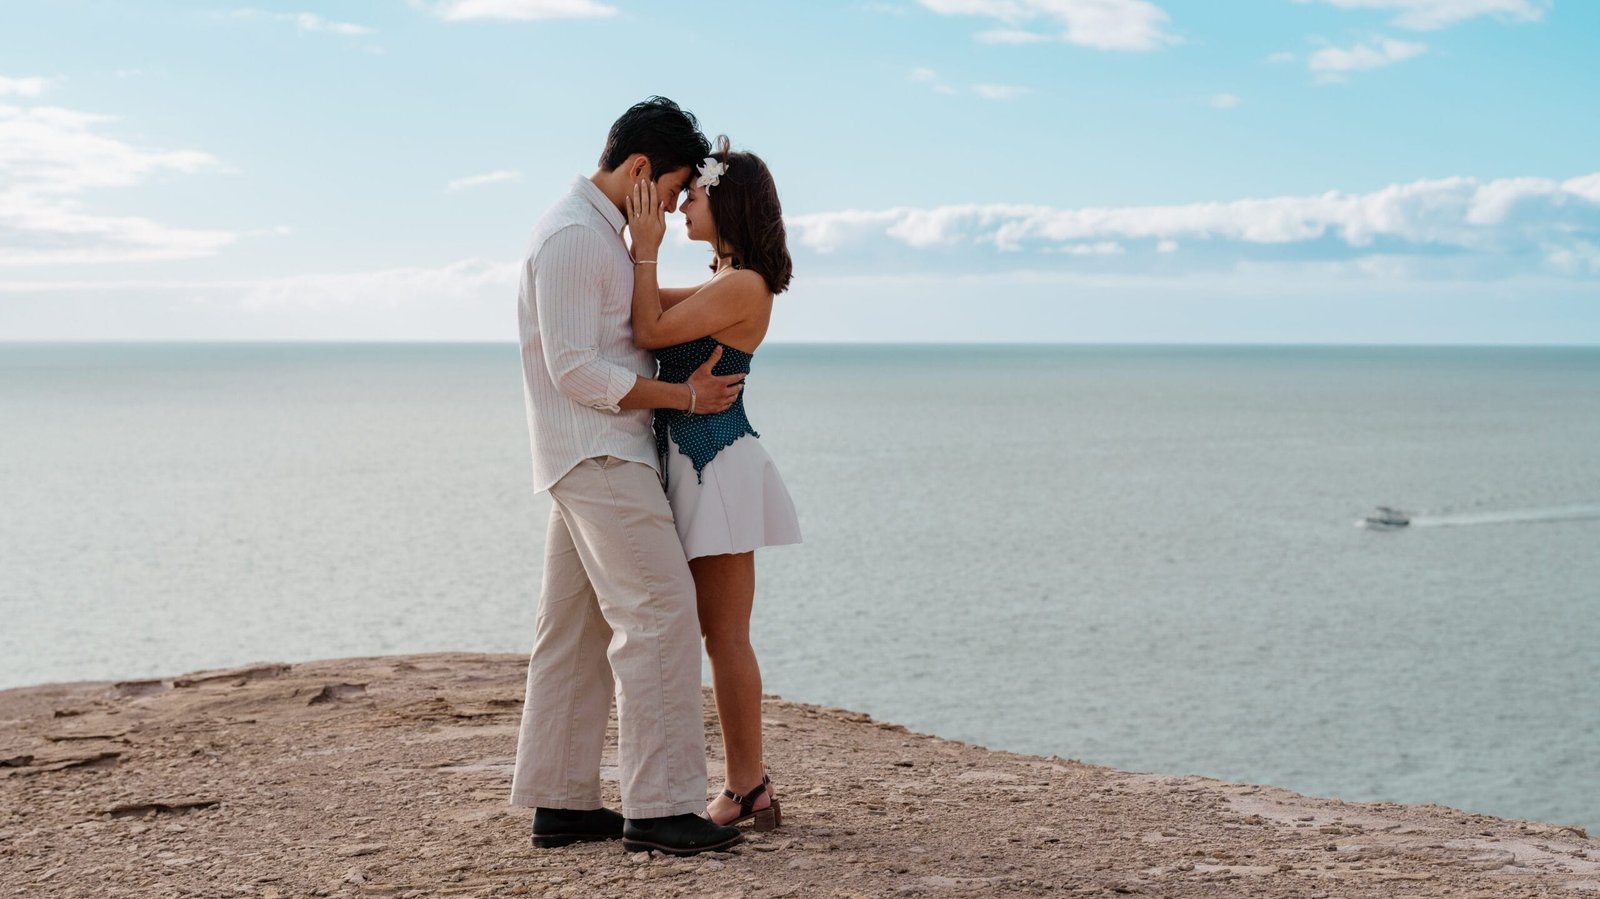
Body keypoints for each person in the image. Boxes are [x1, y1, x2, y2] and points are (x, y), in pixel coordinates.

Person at [508, 98, 747, 857]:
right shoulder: (578, 237)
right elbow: (577, 369)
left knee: (574, 632)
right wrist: (685, 396)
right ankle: (664, 805)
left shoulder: (597, 235)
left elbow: (630, 329)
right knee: (662, 612)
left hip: (584, 452)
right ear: (640, 169)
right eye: (675, 188)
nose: (677, 204)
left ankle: (562, 801)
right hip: (602, 451)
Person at [623, 135, 802, 831]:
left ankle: (747, 787)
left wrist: (644, 246)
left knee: (725, 636)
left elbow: (647, 323)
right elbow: (637, 307)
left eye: (693, 195)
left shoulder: (743, 285)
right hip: (703, 467)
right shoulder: (728, 281)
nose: (683, 205)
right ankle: (745, 784)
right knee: (716, 634)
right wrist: (630, 256)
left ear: (725, 201)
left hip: (717, 467)